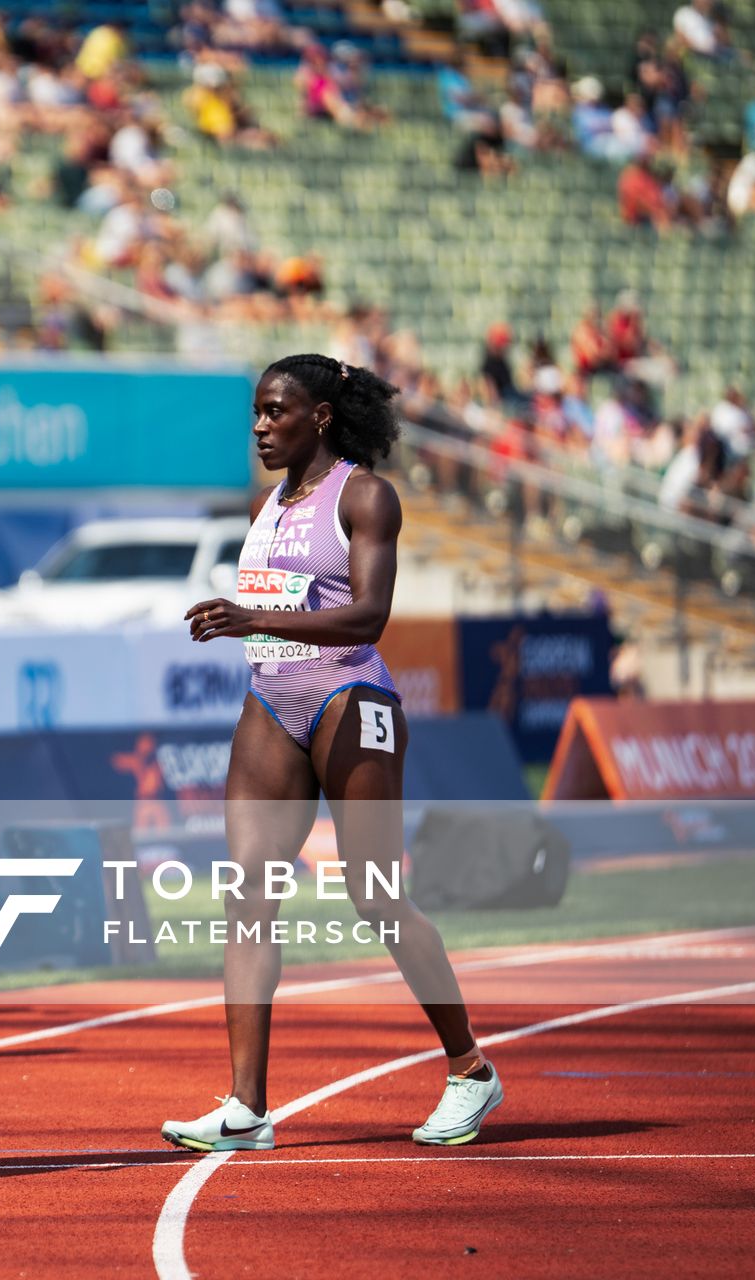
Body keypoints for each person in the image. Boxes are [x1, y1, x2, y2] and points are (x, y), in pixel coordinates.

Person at [160, 354, 501, 1155]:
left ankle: (471, 1070)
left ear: (319, 416)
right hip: (272, 699)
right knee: (248, 893)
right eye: (254, 412)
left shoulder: (366, 495)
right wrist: (252, 627)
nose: (259, 426)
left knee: (377, 896)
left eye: (275, 411)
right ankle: (246, 1107)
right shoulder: (265, 503)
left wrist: (254, 622)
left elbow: (370, 615)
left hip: (353, 698)